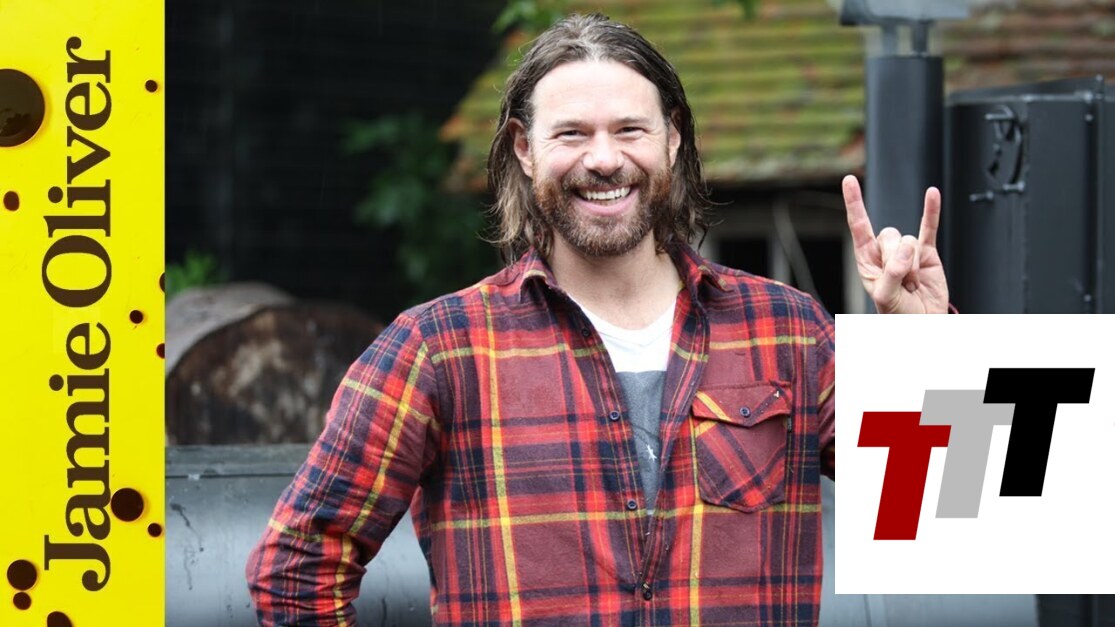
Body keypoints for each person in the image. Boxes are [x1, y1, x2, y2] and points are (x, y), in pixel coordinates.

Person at [246, 13, 948, 626]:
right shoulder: (437, 349)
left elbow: (943, 508)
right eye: (572, 133)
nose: (604, 159)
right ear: (525, 150)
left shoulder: (787, 331)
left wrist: (928, 344)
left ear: (672, 140)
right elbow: (297, 565)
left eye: (629, 129)